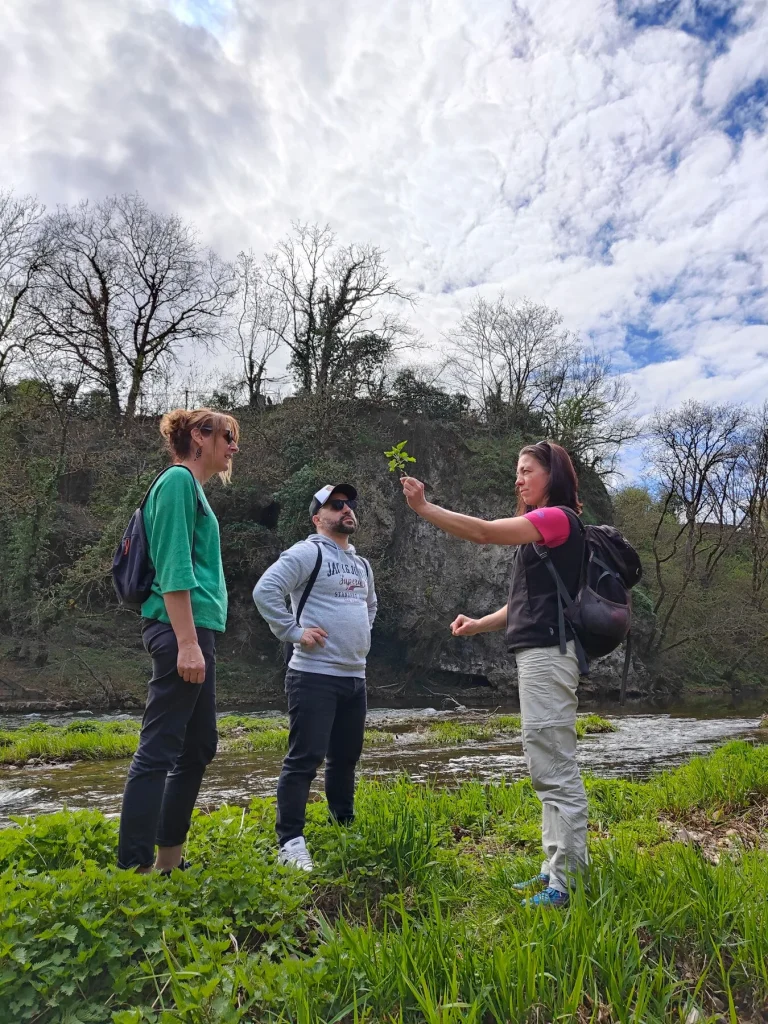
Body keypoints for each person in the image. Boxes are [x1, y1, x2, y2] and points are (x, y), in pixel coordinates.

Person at [401, 441, 587, 908]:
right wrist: (480, 623)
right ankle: (552, 868)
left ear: (553, 476)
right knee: (544, 763)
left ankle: (567, 884)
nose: (518, 479)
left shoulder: (557, 518)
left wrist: (423, 507)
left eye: (527, 471)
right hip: (538, 652)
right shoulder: (545, 529)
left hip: (548, 655)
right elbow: (526, 602)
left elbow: (483, 533)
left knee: (555, 766)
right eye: (517, 472)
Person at [117, 408, 240, 873]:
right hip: (178, 631)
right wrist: (187, 643)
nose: (233, 446)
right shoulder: (176, 483)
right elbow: (173, 566)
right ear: (198, 435)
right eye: (227, 436)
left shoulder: (193, 490)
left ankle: (170, 863)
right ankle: (135, 870)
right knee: (160, 748)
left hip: (192, 631)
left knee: (198, 745)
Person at [253, 483, 377, 872]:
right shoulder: (308, 552)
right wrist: (294, 632)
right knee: (304, 759)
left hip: (354, 676)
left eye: (349, 504)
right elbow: (266, 590)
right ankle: (290, 842)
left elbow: (369, 606)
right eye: (336, 505)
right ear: (316, 517)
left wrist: (357, 640)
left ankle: (343, 825)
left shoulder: (362, 564)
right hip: (313, 675)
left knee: (345, 759)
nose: (346, 510)